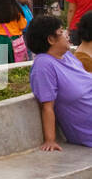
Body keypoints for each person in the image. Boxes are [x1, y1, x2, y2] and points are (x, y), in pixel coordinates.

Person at [27, 13, 92, 151]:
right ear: (51, 39)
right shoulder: (44, 65)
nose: (67, 34)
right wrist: (50, 140)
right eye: (61, 32)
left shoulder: (67, 56)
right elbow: (47, 106)